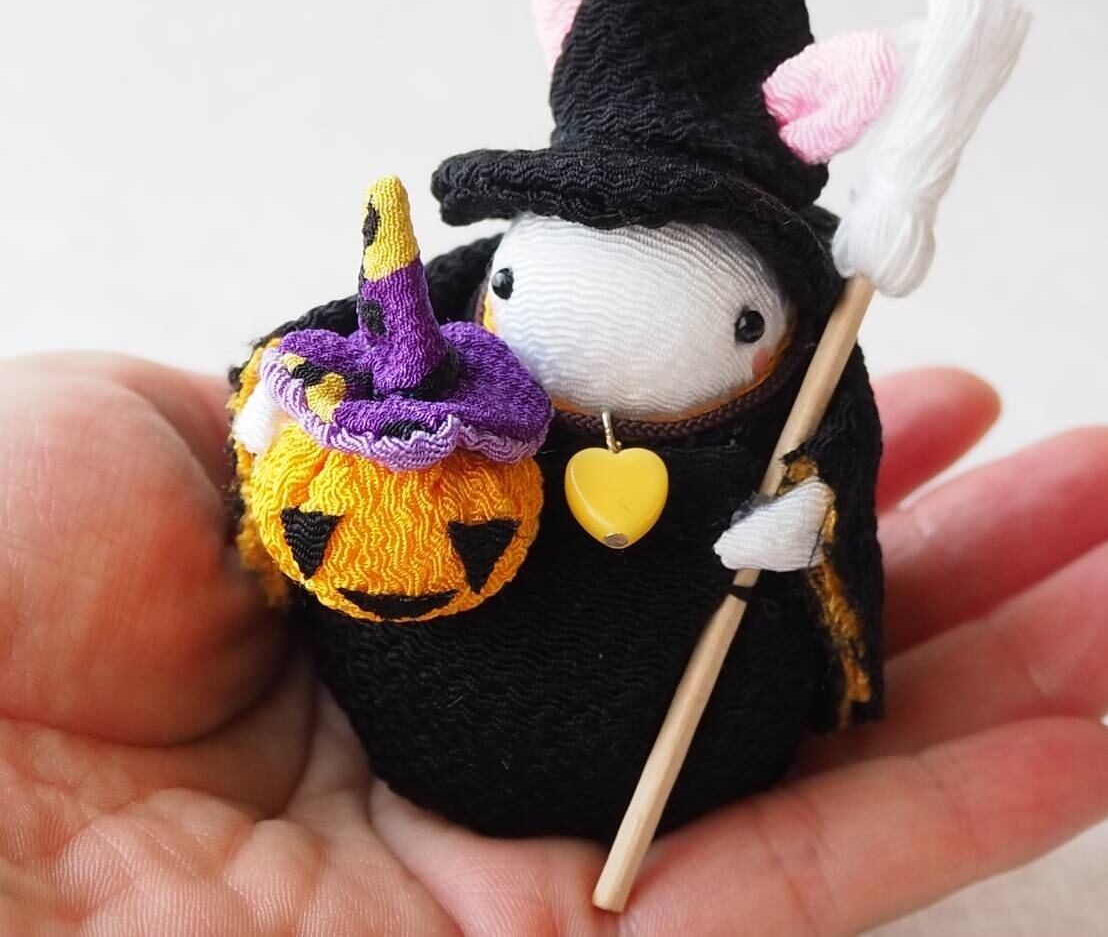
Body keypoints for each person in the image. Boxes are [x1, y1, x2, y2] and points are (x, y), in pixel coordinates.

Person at [0, 353, 1104, 935]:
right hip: (382, 738)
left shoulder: (797, 403)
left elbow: (825, 528)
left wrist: (791, 539)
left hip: (704, 747)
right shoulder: (430, 390)